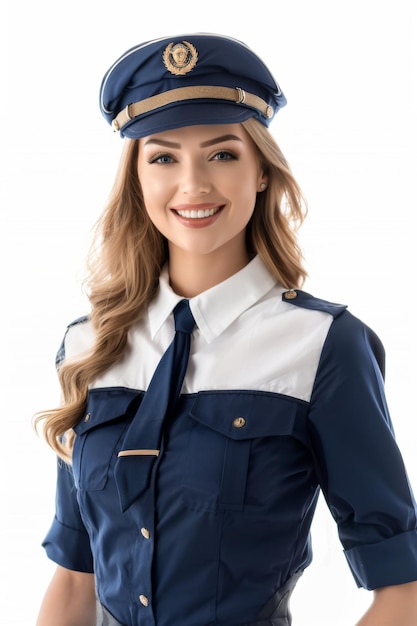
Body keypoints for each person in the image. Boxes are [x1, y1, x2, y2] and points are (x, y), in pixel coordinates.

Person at [34, 33, 417, 626]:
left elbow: (404, 589)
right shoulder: (89, 343)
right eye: (163, 157)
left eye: (223, 154)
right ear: (137, 178)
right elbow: (75, 574)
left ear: (261, 171)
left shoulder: (324, 346)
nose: (194, 185)